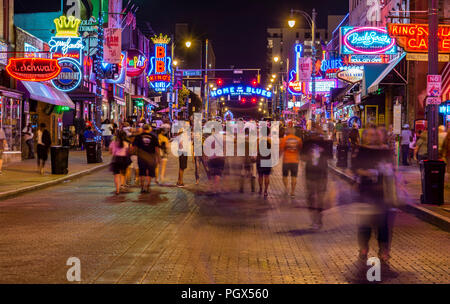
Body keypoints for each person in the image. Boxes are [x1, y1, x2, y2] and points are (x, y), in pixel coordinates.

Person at [352, 125, 395, 263]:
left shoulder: (385, 151)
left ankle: (383, 250)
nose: (371, 138)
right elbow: (354, 168)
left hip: (382, 192)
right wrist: (366, 172)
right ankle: (363, 248)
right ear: (364, 136)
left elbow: (392, 168)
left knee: (383, 224)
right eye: (369, 135)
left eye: (374, 135)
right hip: (365, 192)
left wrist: (387, 170)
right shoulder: (360, 150)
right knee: (364, 224)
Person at [301, 127, 331, 229]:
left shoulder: (326, 143)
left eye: (319, 132)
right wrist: (309, 156)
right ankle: (314, 218)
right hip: (310, 174)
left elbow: (329, 157)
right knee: (310, 198)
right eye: (315, 132)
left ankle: (318, 218)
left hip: (322, 175)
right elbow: (302, 157)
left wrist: (321, 155)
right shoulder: (307, 143)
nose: (317, 134)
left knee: (320, 199)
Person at [133, 124, 160, 193]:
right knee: (149, 174)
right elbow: (157, 148)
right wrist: (158, 157)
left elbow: (134, 147)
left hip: (141, 157)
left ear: (143, 129)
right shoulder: (153, 137)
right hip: (151, 157)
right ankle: (147, 187)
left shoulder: (138, 137)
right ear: (149, 129)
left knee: (142, 173)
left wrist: (135, 154)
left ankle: (142, 188)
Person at [279, 127, 303, 197]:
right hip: (295, 161)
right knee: (294, 176)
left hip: (286, 160)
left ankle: (286, 188)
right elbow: (300, 149)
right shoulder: (298, 140)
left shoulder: (284, 139)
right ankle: (292, 192)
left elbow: (281, 149)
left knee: (285, 176)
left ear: (288, 132)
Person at [109, 131, 130, 195]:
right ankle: (122, 186)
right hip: (123, 159)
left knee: (116, 175)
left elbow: (110, 151)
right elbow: (127, 152)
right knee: (123, 174)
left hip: (116, 159)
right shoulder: (126, 143)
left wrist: (114, 152)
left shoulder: (113, 142)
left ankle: (117, 190)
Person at [256, 133, 272, 198]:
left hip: (260, 160)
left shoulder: (258, 140)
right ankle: (265, 191)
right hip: (267, 160)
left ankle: (260, 189)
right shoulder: (270, 140)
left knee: (260, 175)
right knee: (267, 176)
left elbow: (256, 150)